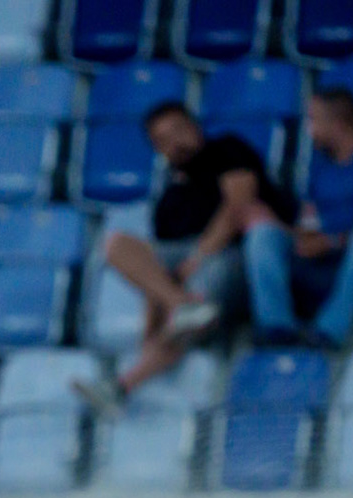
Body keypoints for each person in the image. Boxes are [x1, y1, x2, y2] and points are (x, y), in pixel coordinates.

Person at [74, 101, 294, 415]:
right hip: (188, 282)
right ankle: (132, 372)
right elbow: (158, 271)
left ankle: (125, 380)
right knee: (116, 244)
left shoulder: (228, 150)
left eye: (178, 130)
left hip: (236, 256)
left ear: (194, 125)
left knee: (197, 297)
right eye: (162, 140)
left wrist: (199, 256)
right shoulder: (170, 196)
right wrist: (150, 329)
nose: (174, 143)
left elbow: (238, 208)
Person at [243, 87, 353, 350]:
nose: (308, 128)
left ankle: (329, 333)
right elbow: (309, 218)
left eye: (313, 119)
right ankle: (276, 328)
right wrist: (301, 237)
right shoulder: (320, 161)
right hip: (329, 261)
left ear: (336, 123)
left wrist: (333, 242)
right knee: (263, 233)